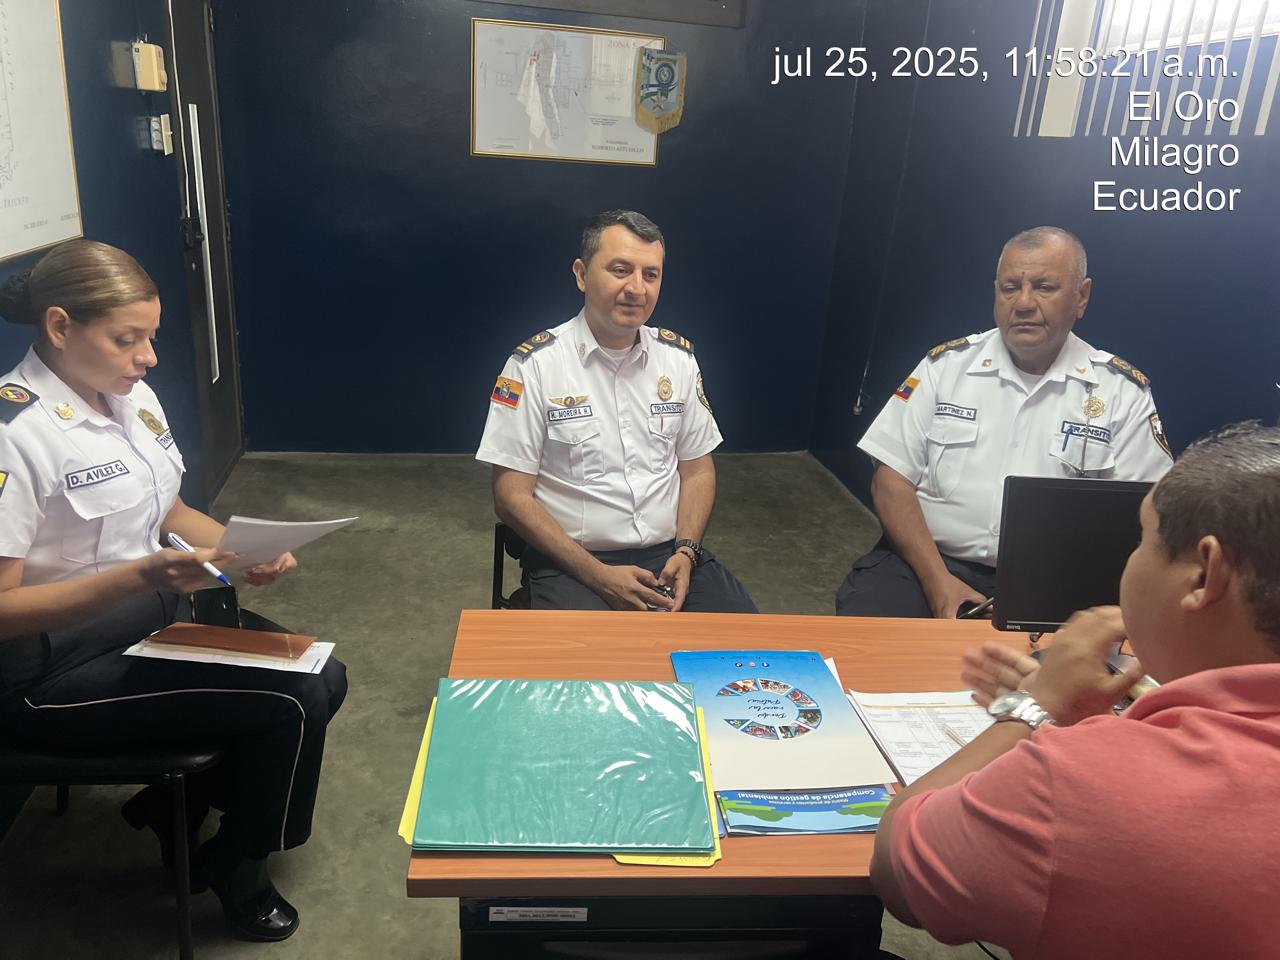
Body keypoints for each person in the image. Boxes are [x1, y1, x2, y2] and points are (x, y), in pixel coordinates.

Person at [0, 240, 346, 942]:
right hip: (49, 669)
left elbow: (172, 510)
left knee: (325, 673)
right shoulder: (15, 432)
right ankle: (238, 867)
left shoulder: (131, 396)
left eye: (151, 337)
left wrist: (242, 550)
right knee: (291, 698)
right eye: (127, 339)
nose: (148, 357)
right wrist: (141, 575)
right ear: (60, 326)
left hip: (151, 617)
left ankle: (176, 812)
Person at [870, 422, 1280, 959]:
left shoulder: (1080, 783)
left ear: (1204, 574)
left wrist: (1036, 709)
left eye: (1142, 538)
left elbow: (898, 867)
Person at [837, 226, 1173, 619]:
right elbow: (890, 481)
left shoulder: (1120, 392)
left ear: (1081, 297)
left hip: (1058, 578)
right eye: (1010, 287)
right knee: (867, 631)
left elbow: (1147, 512)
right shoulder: (945, 368)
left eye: (1044, 287)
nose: (1024, 303)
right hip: (927, 562)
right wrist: (937, 582)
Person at [476, 209, 756, 613]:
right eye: (620, 270)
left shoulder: (678, 361)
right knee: (596, 654)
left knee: (746, 641)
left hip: (670, 556)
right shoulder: (532, 366)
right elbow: (510, 497)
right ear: (581, 274)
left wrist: (687, 552)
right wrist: (598, 576)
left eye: (651, 274)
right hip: (572, 562)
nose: (637, 288)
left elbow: (697, 471)